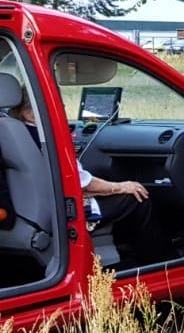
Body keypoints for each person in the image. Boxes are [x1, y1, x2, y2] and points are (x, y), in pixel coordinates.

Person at [14, 93, 167, 267]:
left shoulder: (13, 131)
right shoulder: (48, 137)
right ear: (29, 114)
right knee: (136, 198)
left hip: (28, 210)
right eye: (57, 106)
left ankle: (125, 252)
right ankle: (158, 262)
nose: (62, 111)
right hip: (62, 212)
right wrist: (120, 186)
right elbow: (80, 182)